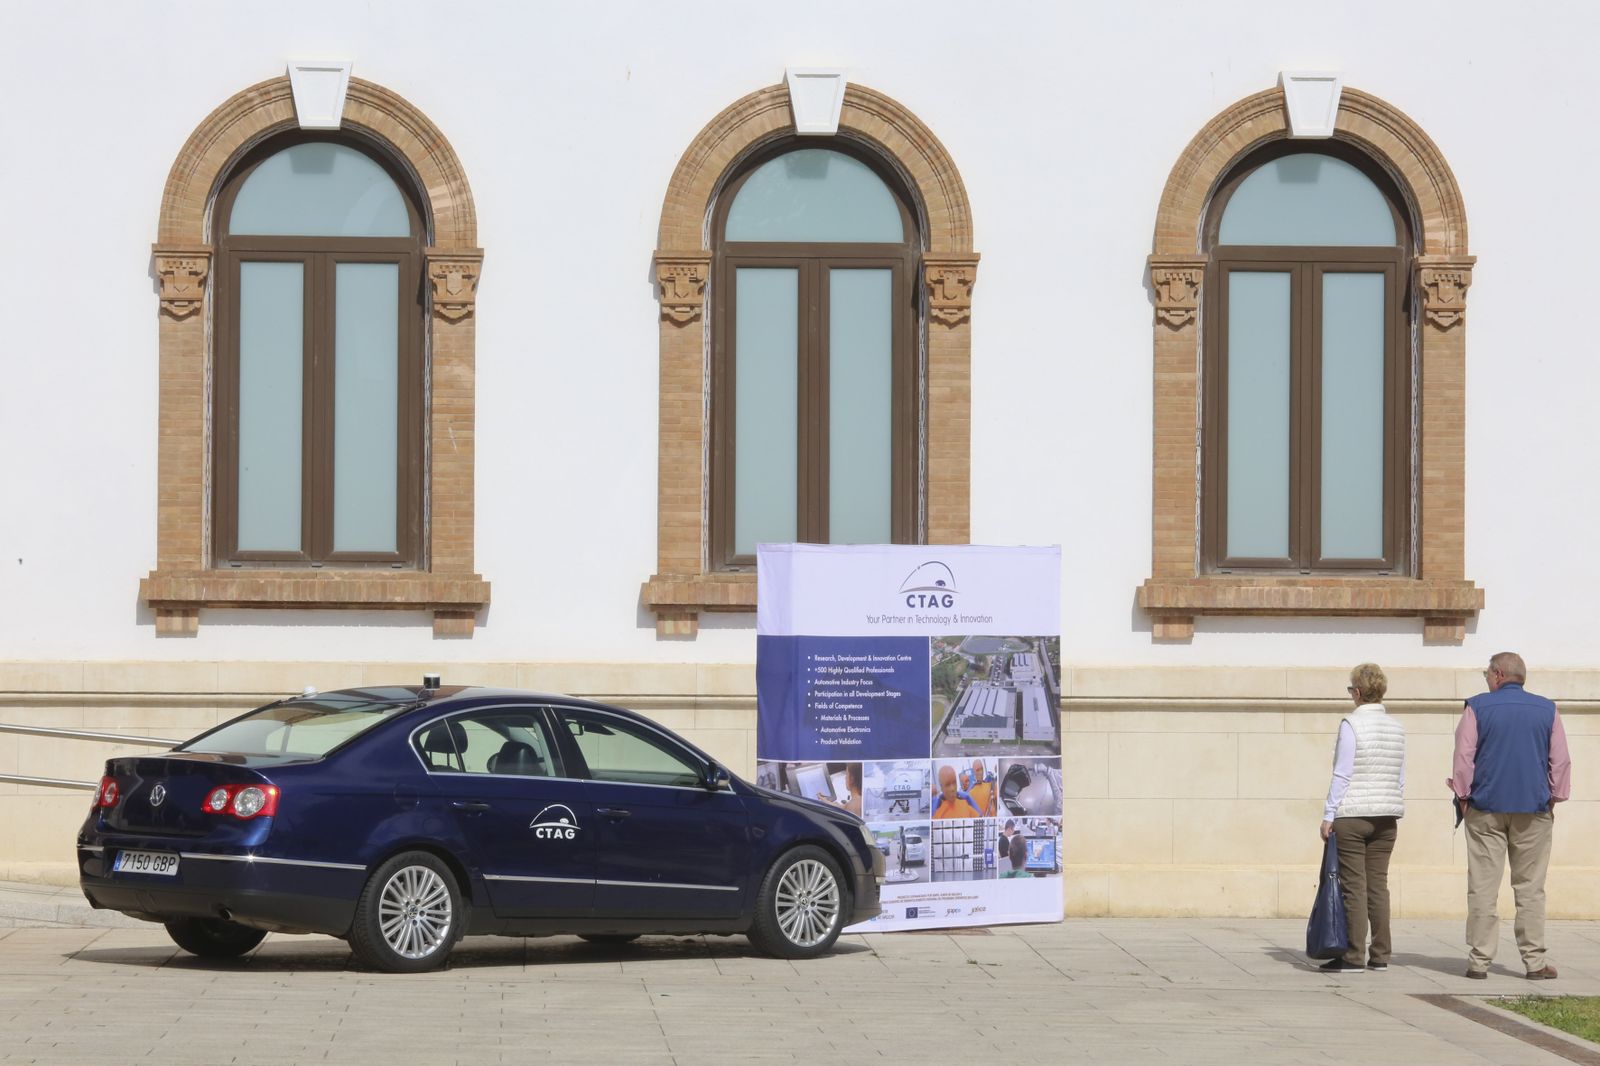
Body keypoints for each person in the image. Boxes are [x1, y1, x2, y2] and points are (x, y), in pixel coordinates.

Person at [1450, 652, 1571, 980]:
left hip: (1485, 809)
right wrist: (1555, 797)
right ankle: (1534, 962)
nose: (1486, 678)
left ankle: (1479, 961)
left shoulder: (1477, 707)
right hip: (1533, 810)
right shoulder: (1548, 709)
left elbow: (1463, 757)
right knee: (1531, 888)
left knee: (1482, 886)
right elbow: (1559, 761)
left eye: (1487, 673)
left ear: (1499, 674)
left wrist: (1462, 796)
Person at [1318, 663, 1405, 974]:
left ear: (1357, 692)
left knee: (1354, 885)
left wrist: (1329, 813)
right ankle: (1380, 954)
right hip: (1386, 815)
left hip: (1353, 815)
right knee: (1378, 885)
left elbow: (1343, 772)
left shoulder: (1351, 724)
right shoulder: (1397, 727)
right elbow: (1400, 775)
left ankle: (1354, 955)